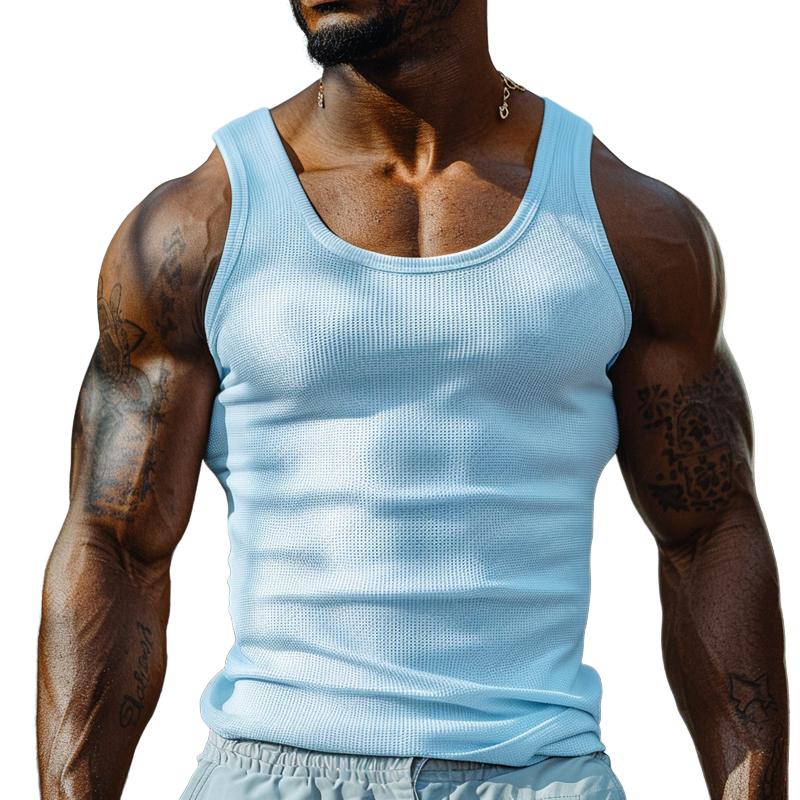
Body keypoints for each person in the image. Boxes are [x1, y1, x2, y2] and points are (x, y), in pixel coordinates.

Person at [37, 1, 789, 798]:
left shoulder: (629, 227)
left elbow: (708, 535)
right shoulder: (193, 231)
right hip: (270, 767)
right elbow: (117, 546)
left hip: (538, 774)